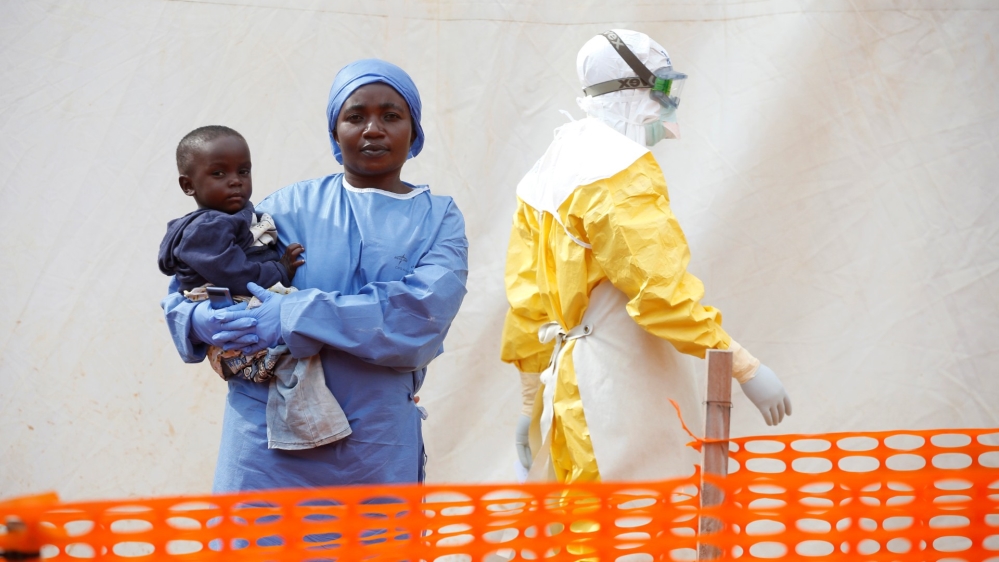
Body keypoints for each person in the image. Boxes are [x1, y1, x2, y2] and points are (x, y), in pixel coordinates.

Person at [161, 59, 469, 491]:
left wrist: (293, 314)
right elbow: (191, 279)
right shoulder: (284, 208)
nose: (373, 130)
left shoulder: (438, 220)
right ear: (334, 132)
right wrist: (197, 321)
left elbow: (419, 317)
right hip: (264, 449)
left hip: (375, 447)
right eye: (355, 117)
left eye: (391, 116)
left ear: (414, 130)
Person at [501, 30, 792, 484]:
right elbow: (661, 295)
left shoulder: (545, 171)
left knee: (585, 513)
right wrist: (745, 367)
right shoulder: (618, 172)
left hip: (569, 386)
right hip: (616, 387)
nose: (670, 104)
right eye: (664, 87)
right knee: (632, 516)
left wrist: (529, 403)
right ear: (633, 91)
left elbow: (528, 304)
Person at [159, 125, 351, 452]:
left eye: (243, 171)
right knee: (295, 350)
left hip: (240, 296)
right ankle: (311, 428)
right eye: (219, 173)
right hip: (232, 301)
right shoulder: (208, 226)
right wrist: (281, 269)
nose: (235, 181)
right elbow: (234, 273)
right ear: (188, 185)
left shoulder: (231, 216)